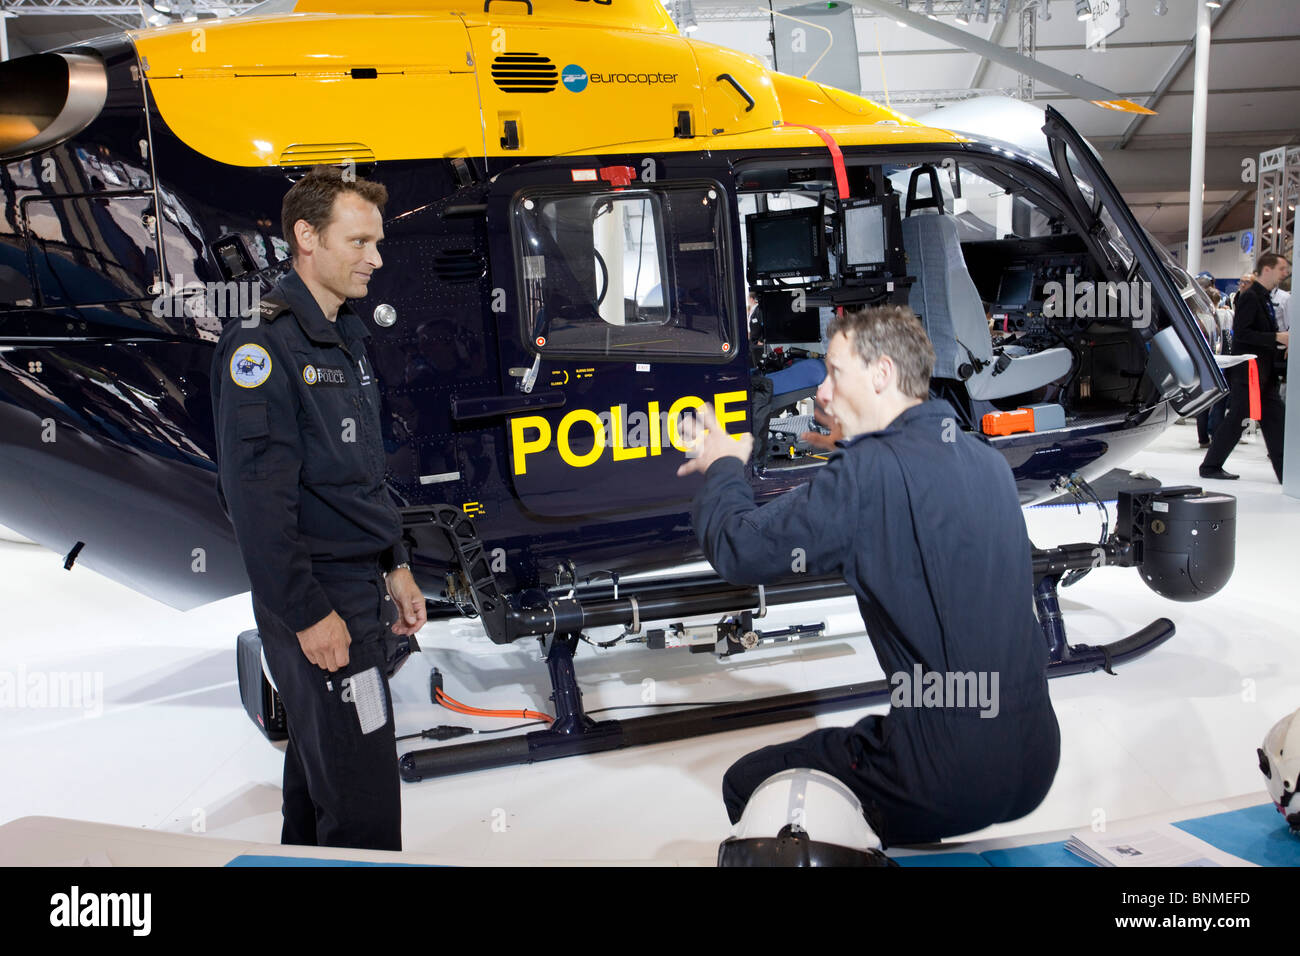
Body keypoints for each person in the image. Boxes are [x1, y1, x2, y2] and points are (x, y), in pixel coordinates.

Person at [677, 304, 1060, 847]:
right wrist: (860, 449)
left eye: (834, 373)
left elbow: (738, 548)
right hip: (1035, 760)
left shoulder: (865, 477)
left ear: (882, 374)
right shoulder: (985, 460)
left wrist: (722, 464)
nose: (821, 394)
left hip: (942, 777)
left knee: (746, 784)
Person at [210, 166, 426, 851]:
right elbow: (256, 506)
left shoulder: (344, 338)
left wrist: (395, 563)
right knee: (362, 810)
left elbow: (358, 474)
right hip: (316, 598)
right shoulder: (262, 350)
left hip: (355, 589)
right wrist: (308, 614)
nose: (376, 258)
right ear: (306, 236)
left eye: (377, 242)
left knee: (318, 778)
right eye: (359, 241)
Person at [1199, 253, 1290, 483]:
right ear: (1266, 269)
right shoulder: (1250, 297)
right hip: (1249, 373)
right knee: (1239, 419)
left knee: (1274, 420)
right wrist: (1277, 337)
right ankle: (1210, 466)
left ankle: (1285, 473)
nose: (1285, 273)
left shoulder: (1264, 298)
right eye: (1281, 268)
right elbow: (1243, 333)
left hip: (1263, 374)